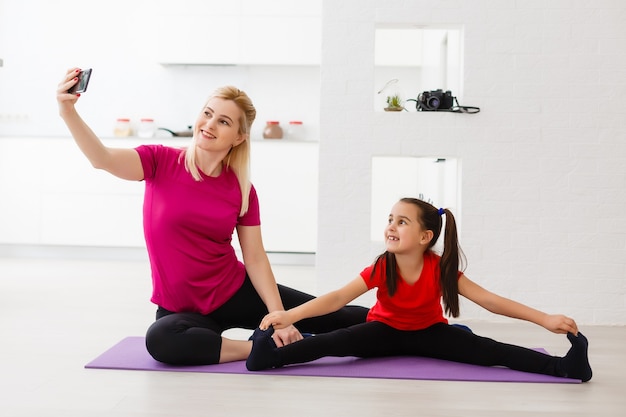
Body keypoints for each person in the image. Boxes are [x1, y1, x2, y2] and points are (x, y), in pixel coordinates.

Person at [56, 68, 368, 365]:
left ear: (238, 137)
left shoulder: (242, 189)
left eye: (223, 121)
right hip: (181, 309)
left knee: (341, 318)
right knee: (162, 339)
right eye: (207, 114)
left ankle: (407, 325)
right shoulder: (159, 161)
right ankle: (260, 347)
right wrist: (68, 111)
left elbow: (255, 258)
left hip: (233, 291)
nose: (209, 125)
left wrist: (278, 317)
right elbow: (102, 159)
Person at [246, 198, 593, 382]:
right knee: (330, 344)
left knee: (493, 352)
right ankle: (271, 357)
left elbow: (489, 300)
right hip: (381, 331)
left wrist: (544, 318)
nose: (391, 226)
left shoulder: (440, 269)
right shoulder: (384, 266)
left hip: (430, 333)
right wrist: (287, 316)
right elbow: (337, 298)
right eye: (390, 219)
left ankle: (564, 368)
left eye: (401, 221)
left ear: (426, 237)